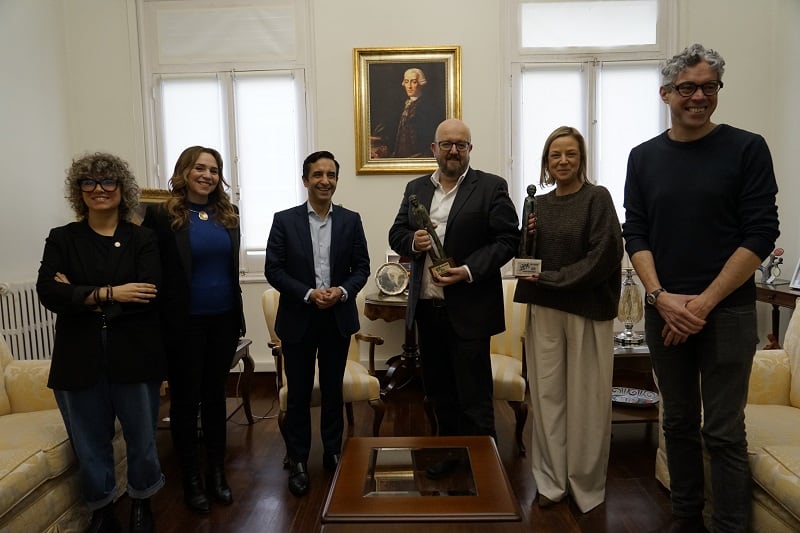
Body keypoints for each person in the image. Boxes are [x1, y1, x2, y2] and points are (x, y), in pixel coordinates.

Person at [622, 44, 779, 532]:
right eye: (687, 87)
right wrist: (661, 298)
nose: (698, 96)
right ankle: (686, 517)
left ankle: (730, 526)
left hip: (727, 312)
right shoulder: (643, 157)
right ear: (666, 92)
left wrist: (703, 304)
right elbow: (637, 232)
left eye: (708, 86)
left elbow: (760, 233)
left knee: (725, 431)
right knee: (678, 423)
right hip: (663, 307)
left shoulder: (747, 148)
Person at [36, 152, 165, 533]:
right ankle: (102, 507)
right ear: (79, 192)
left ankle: (143, 500)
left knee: (141, 438)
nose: (99, 190)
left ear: (121, 189)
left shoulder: (143, 238)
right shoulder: (63, 238)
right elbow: (47, 292)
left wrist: (78, 294)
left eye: (108, 182)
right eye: (88, 183)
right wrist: (113, 292)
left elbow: (148, 293)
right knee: (90, 442)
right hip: (78, 357)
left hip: (134, 353)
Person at [388, 119, 519, 472]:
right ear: (433, 149)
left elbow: (508, 240)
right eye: (446, 144)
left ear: (470, 150)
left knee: (474, 396)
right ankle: (449, 455)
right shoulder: (416, 187)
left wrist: (468, 271)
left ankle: (484, 466)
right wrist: (412, 241)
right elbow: (396, 233)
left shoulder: (491, 187)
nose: (453, 150)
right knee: (440, 393)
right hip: (429, 310)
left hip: (471, 308)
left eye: (461, 144)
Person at [513, 126, 623, 512]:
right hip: (544, 309)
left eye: (570, 154)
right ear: (546, 161)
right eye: (555, 155)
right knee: (546, 398)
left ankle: (585, 487)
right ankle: (550, 482)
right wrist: (524, 238)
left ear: (582, 160)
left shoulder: (597, 198)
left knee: (587, 400)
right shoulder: (537, 205)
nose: (562, 161)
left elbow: (604, 255)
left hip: (587, 310)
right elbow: (524, 260)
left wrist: (551, 279)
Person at [143, 146, 245, 514]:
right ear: (184, 172)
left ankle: (217, 473)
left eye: (214, 170)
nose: (208, 175)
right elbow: (151, 270)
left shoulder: (227, 215)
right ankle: (191, 479)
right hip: (183, 323)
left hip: (224, 319)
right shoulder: (162, 215)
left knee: (215, 398)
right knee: (186, 402)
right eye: (200, 168)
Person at [265, 150, 370, 497]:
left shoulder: (351, 220)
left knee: (331, 391)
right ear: (305, 180)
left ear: (337, 180)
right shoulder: (284, 220)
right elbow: (274, 270)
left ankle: (332, 452)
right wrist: (309, 294)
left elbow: (362, 268)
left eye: (331, 175)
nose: (325, 180)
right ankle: (297, 459)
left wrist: (340, 291)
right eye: (317, 174)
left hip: (337, 318)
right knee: (296, 394)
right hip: (298, 318)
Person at [373, 68, 443, 158]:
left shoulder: (429, 107)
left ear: (421, 83)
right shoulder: (403, 105)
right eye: (406, 82)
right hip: (400, 154)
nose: (409, 86)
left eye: (413, 82)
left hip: (418, 157)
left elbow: (430, 138)